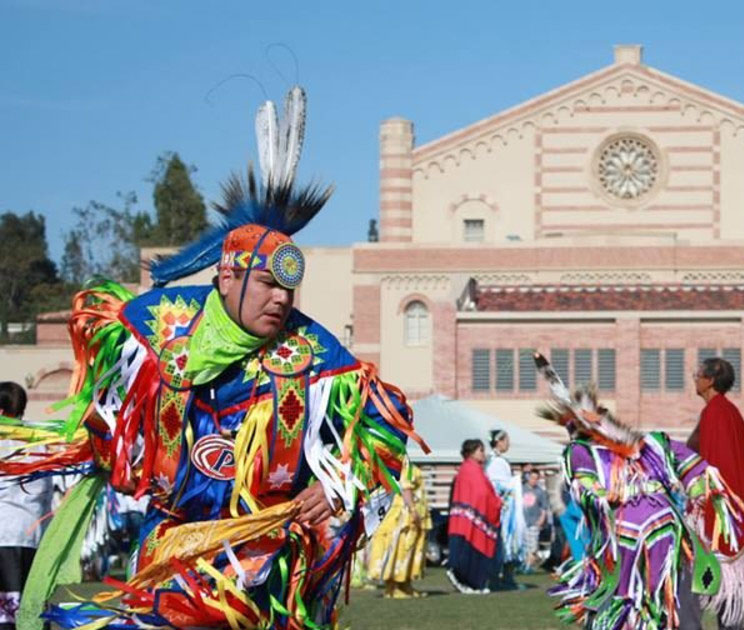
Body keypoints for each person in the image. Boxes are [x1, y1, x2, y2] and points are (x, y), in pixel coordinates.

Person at [0, 85, 426, 630]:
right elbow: (103, 394)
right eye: (268, 284)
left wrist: (337, 482)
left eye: (289, 290)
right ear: (227, 275)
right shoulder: (162, 327)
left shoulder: (311, 349)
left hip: (266, 560)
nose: (282, 300)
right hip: (174, 551)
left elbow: (384, 424)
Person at [533, 353, 744, 630]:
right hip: (667, 528)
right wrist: (700, 497)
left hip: (627, 532)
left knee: (627, 598)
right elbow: (699, 472)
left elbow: (588, 490)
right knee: (658, 597)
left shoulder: (582, 452)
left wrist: (604, 495)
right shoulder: (652, 442)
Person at [686, 357, 744, 630]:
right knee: (723, 585)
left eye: (698, 373)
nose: (694, 377)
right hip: (730, 513)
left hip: (722, 516)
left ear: (710, 380)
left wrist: (708, 509)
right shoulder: (725, 411)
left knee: (701, 583)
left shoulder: (717, 413)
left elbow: (718, 468)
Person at [0, 383, 55, 630]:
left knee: (6, 612)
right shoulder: (37, 441)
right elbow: (47, 489)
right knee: (29, 605)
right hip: (33, 534)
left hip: (4, 532)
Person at [365, 459, 432, 599]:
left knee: (411, 550)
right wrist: (413, 509)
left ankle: (405, 585)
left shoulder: (409, 466)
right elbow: (405, 488)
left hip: (412, 513)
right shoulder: (403, 466)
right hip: (403, 514)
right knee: (400, 549)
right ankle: (393, 587)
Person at [447, 439, 501, 594]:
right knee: (469, 551)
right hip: (469, 520)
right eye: (481, 450)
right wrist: (495, 503)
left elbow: (485, 492)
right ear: (471, 452)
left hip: (470, 519)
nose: (484, 454)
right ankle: (464, 580)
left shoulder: (474, 469)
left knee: (475, 553)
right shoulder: (470, 470)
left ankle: (475, 583)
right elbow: (481, 494)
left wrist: (495, 501)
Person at [485, 429, 525, 589]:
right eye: (506, 440)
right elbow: (498, 485)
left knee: (504, 543)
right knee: (505, 542)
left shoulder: (494, 460)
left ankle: (504, 578)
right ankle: (502, 579)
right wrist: (515, 483)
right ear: (499, 441)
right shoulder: (496, 462)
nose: (508, 443)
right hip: (503, 511)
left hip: (503, 509)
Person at [521, 469, 549, 571]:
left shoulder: (540, 492)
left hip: (534, 521)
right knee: (524, 545)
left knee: (533, 547)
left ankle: (528, 567)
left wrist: (542, 519)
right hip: (523, 521)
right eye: (532, 478)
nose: (534, 480)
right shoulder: (522, 489)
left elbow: (544, 507)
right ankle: (525, 564)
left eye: (536, 478)